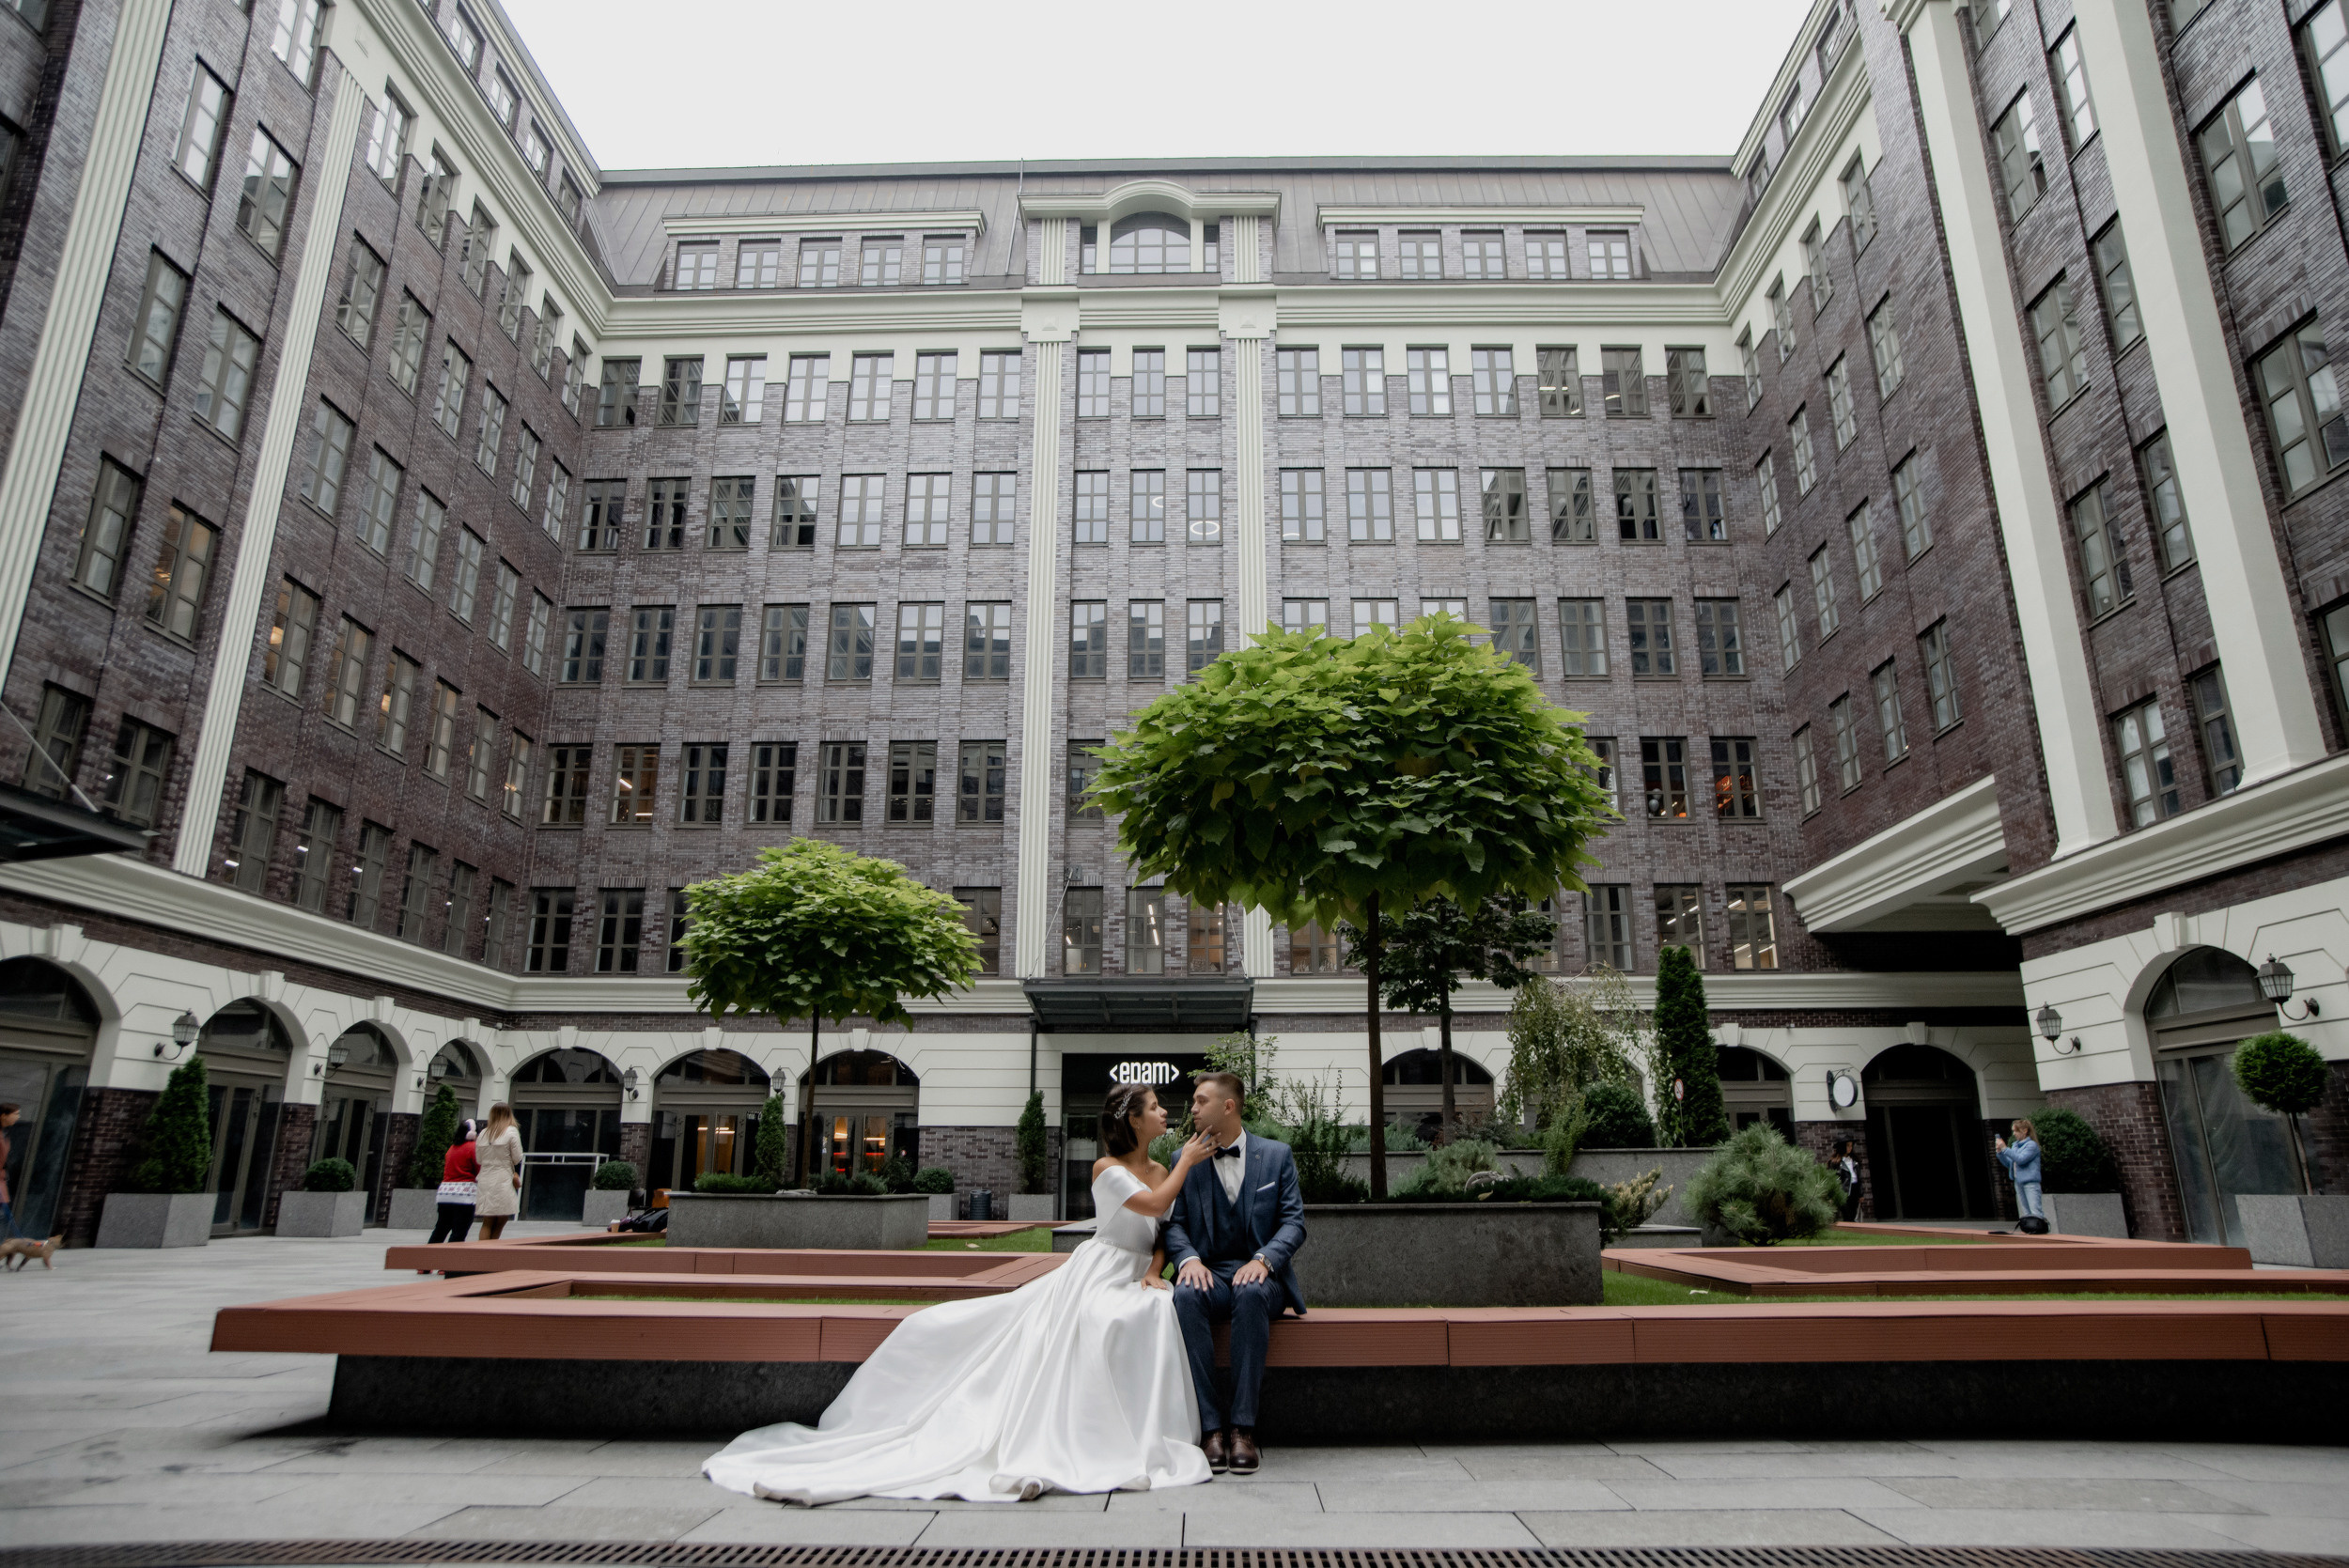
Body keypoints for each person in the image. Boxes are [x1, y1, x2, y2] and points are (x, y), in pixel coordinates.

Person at [703, 1083, 1216, 1504]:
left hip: (1135, 1270)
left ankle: (1135, 1429)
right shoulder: (1110, 1170)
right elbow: (1151, 1207)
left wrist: (1154, 1269)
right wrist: (1187, 1162)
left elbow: (1165, 1231)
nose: (1165, 1111)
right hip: (1099, 1270)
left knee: (1151, 1310)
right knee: (1088, 1323)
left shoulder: (1163, 1166)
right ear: (1133, 1121)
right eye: (1154, 1106)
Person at [1162, 1071, 1308, 1477]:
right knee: (1185, 1295)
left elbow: (1294, 1223)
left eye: (1199, 1101)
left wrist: (1263, 1260)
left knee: (1251, 1294)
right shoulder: (1183, 1159)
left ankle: (1243, 1429)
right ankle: (1211, 1430)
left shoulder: (1276, 1156)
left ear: (1228, 1107)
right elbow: (1174, 1224)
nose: (1191, 1108)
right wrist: (1188, 1259)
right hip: (1209, 1273)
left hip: (1262, 1277)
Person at [425, 1118, 480, 1254]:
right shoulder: (473, 1148)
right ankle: (447, 1265)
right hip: (464, 1196)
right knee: (459, 1231)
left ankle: (425, 1263)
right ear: (473, 1134)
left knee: (441, 1228)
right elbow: (480, 1170)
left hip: (444, 1194)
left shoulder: (452, 1148)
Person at [474, 1103, 523, 1240]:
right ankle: (492, 1249)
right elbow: (517, 1157)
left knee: (487, 1220)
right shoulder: (511, 1131)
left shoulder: (483, 1133)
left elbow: (478, 1159)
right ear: (509, 1115)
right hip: (503, 1178)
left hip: (485, 1178)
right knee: (502, 1217)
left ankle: (483, 1251)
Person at [1994, 1119, 2044, 1224]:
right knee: (2025, 1213)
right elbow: (2010, 1164)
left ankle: (2039, 1232)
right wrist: (2000, 1153)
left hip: (2030, 1183)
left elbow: (2021, 1159)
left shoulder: (2031, 1145)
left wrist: (2005, 1149)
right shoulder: (2015, 1145)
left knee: (2035, 1212)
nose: (2014, 1134)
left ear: (2025, 1131)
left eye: (2016, 1131)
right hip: (2018, 1182)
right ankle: (2029, 1230)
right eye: (2013, 1131)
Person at [0, 1102, 18, 1238]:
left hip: (1, 1180)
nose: (18, 1117)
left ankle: (17, 1243)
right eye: (15, 1114)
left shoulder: (5, 1133)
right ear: (3, 1116)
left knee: (6, 1213)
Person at [1834, 1139, 1862, 1223]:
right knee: (1847, 1214)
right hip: (1844, 1190)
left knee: (1853, 1213)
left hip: (1855, 1189)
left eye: (1851, 1146)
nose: (1850, 1148)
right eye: (1848, 1145)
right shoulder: (1837, 1162)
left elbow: (1859, 1178)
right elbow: (1835, 1178)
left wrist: (1861, 1194)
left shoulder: (1855, 1161)